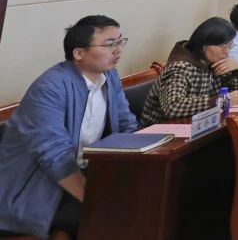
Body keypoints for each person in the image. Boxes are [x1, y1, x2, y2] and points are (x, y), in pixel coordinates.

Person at [0, 16, 138, 238]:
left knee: (140, 198)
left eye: (120, 41)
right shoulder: (49, 88)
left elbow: (126, 123)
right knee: (110, 214)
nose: (118, 50)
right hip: (37, 185)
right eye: (109, 44)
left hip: (84, 171)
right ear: (79, 53)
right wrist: (93, 200)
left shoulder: (109, 76)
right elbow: (54, 155)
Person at [141, 17, 238, 125]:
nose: (227, 51)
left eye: (230, 46)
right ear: (203, 45)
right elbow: (173, 107)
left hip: (199, 124)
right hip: (162, 130)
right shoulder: (179, 68)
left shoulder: (214, 61)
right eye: (223, 46)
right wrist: (221, 101)